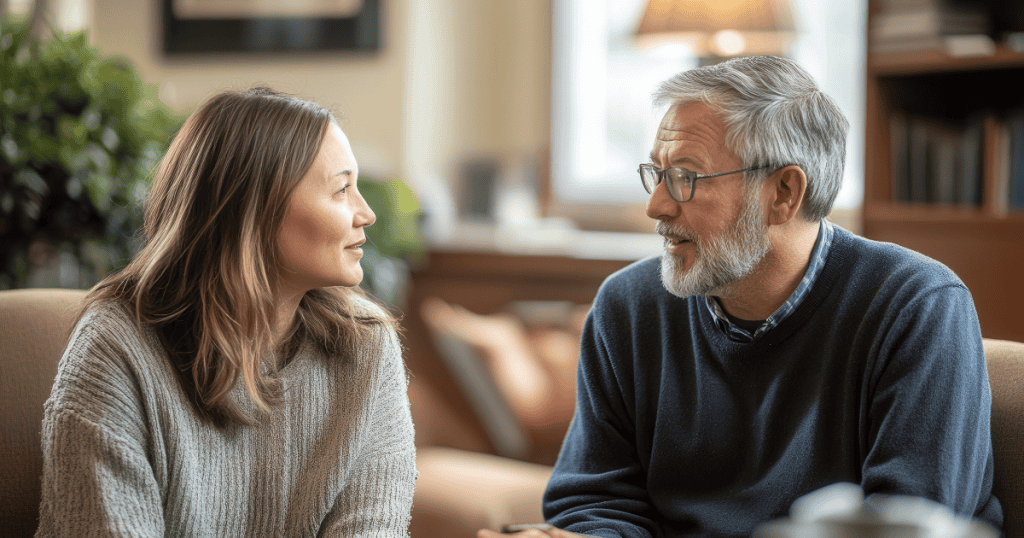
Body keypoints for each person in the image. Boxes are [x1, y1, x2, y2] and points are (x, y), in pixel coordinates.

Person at [480, 56, 1001, 538]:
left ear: (783, 194)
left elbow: (905, 524)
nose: (656, 205)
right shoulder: (628, 307)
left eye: (686, 177)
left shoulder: (917, 306)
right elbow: (596, 500)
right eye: (657, 174)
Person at [35, 87, 417, 536]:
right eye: (341, 190)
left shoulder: (366, 349)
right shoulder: (116, 351)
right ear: (255, 210)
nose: (365, 213)